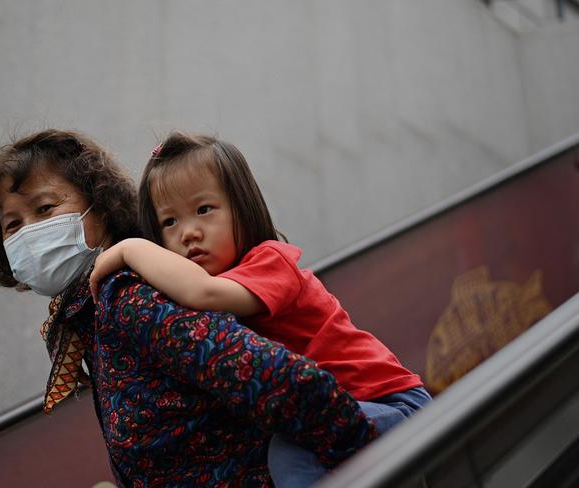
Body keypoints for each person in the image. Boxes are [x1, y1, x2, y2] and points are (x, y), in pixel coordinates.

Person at [0, 128, 376, 487]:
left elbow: (289, 382)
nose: (29, 231)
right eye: (12, 223)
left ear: (101, 208)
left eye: (46, 208)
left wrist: (376, 462)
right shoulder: (87, 315)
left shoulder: (129, 298)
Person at [89, 130, 432, 487]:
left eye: (204, 210)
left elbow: (202, 292)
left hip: (394, 406)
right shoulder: (211, 289)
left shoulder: (272, 261)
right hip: (343, 412)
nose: (188, 233)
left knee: (291, 453)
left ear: (243, 207)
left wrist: (130, 249)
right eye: (169, 222)